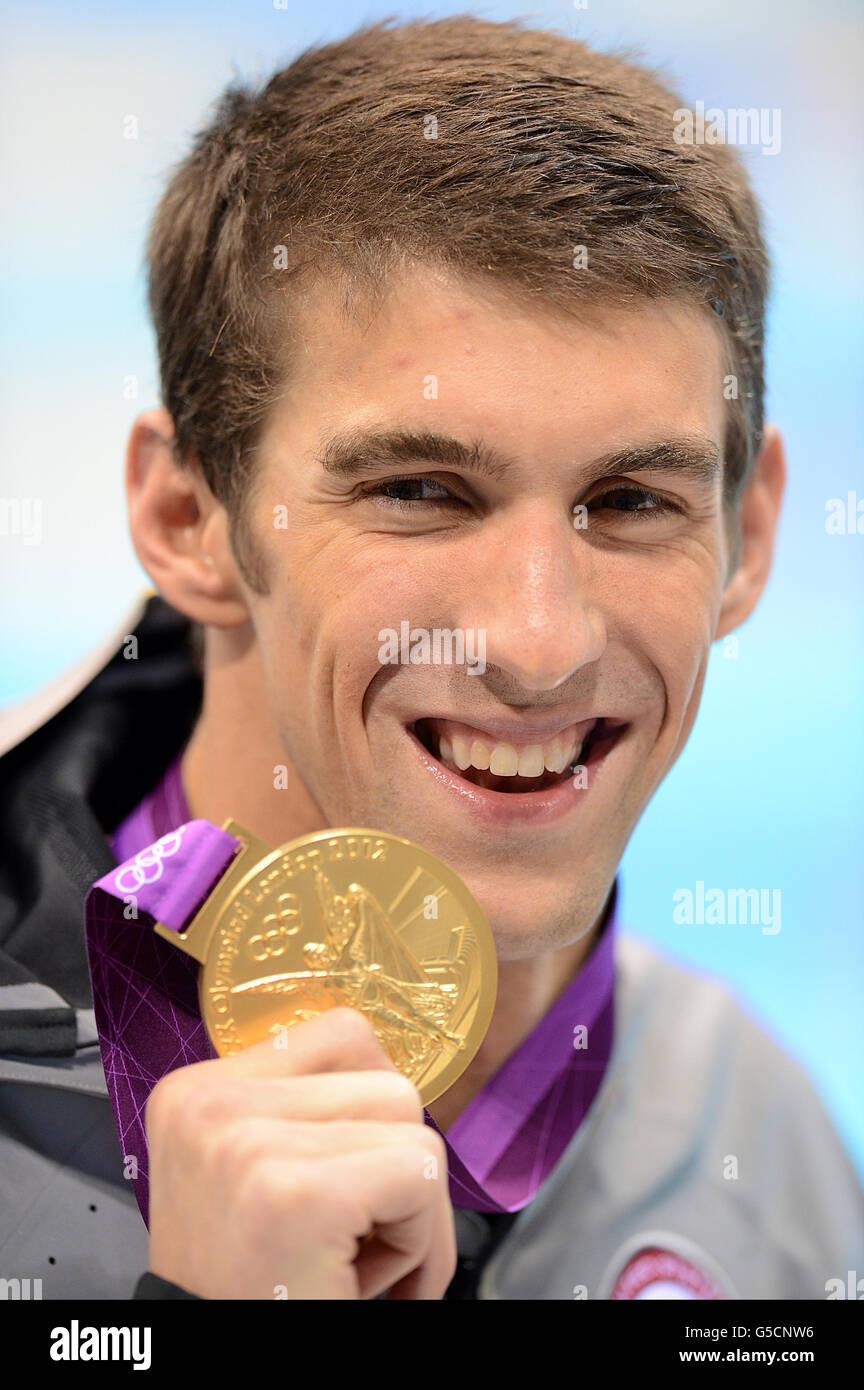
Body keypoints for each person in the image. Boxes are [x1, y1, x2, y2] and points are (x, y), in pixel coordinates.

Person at [1, 14, 861, 1302]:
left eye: (631, 500)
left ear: (745, 539)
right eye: (420, 490)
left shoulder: (758, 1131)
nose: (538, 643)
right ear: (188, 519)